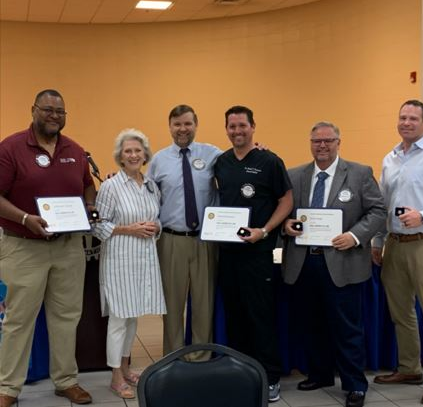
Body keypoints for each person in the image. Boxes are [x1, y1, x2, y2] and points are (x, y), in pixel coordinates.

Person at [0, 89, 96, 407]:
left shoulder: (75, 149)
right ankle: (8, 387)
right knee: (19, 319)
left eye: (60, 111)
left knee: (66, 316)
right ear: (34, 110)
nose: (54, 116)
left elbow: (87, 185)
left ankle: (66, 380)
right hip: (24, 246)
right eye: (48, 109)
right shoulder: (12, 147)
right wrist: (25, 218)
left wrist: (90, 207)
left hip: (68, 247)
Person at [282, 121, 387, 407]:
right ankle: (320, 374)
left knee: (347, 328)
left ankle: (355, 385)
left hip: (343, 262)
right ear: (310, 143)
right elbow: (284, 214)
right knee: (311, 323)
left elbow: (378, 211)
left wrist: (355, 236)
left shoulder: (359, 173)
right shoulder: (295, 175)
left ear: (339, 142)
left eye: (328, 140)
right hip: (304, 263)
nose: (322, 146)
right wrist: (286, 226)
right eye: (317, 141)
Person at [214, 105, 293, 403]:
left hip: (258, 251)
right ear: (226, 129)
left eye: (242, 126)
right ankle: (240, 374)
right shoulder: (220, 162)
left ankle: (270, 377)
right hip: (228, 253)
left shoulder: (269, 161)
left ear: (253, 127)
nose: (237, 131)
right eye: (232, 126)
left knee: (260, 315)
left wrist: (266, 229)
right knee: (235, 316)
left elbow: (286, 200)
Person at [372, 100, 423, 405]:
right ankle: (409, 369)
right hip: (396, 244)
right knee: (401, 313)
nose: (406, 122)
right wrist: (378, 241)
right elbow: (383, 205)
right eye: (402, 117)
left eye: (413, 118)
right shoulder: (390, 158)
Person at [94, 128, 166, 399]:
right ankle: (115, 377)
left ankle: (125, 368)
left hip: (144, 261)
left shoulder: (150, 186)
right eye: (128, 151)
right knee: (119, 319)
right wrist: (129, 229)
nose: (134, 155)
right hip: (119, 261)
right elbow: (97, 226)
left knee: (133, 317)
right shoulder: (111, 187)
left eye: (138, 150)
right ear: (120, 157)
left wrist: (154, 227)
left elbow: (157, 220)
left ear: (145, 154)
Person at [148, 105, 220, 361]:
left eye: (187, 123)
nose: (182, 129)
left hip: (204, 240)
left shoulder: (212, 154)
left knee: (204, 303)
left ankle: (201, 357)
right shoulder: (158, 160)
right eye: (177, 124)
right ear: (169, 127)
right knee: (172, 303)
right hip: (171, 240)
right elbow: (147, 197)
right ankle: (173, 357)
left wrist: (258, 150)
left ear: (196, 125)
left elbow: (238, 166)